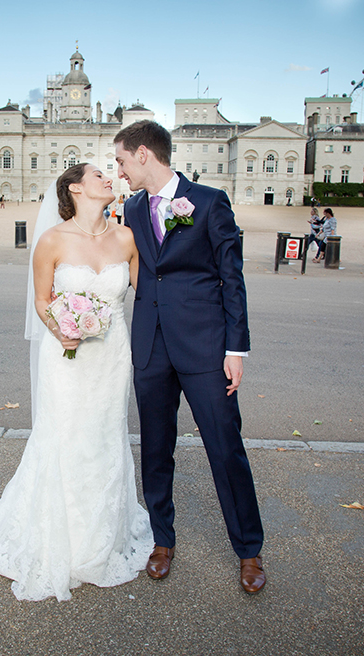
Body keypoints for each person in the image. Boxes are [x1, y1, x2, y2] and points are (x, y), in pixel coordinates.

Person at [0, 164, 152, 602]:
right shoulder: (52, 240)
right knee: (65, 436)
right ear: (76, 188)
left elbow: (150, 292)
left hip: (112, 356)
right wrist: (61, 328)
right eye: (99, 174)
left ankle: (101, 537)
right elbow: (42, 301)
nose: (109, 178)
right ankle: (59, 537)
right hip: (65, 356)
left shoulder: (127, 238)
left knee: (102, 436)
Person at [114, 120, 265, 594]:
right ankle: (162, 541)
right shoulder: (133, 207)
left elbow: (232, 278)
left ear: (143, 154)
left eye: (120, 161)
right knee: (156, 449)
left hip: (205, 347)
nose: (118, 171)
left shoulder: (209, 201)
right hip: (151, 346)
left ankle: (249, 549)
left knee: (225, 447)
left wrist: (235, 347)